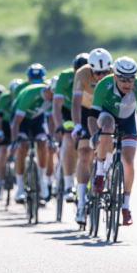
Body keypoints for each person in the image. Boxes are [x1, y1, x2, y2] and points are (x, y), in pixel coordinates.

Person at [88, 56, 137, 226]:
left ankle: (125, 206)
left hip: (128, 122)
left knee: (128, 162)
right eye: (123, 79)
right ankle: (100, 173)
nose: (127, 83)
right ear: (115, 76)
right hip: (107, 116)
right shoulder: (104, 85)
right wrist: (94, 135)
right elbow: (92, 116)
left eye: (131, 79)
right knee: (107, 129)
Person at [71, 48, 113, 224]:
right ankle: (81, 204)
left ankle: (109, 178)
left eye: (104, 72)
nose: (101, 76)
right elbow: (75, 103)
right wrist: (77, 125)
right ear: (91, 69)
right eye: (97, 73)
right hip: (87, 111)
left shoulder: (116, 73)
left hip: (107, 110)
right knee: (84, 155)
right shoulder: (82, 74)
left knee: (109, 145)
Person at [10, 78, 56, 204]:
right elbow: (16, 123)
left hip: (37, 118)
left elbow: (51, 120)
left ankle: (42, 179)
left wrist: (52, 140)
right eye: (53, 96)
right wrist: (14, 142)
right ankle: (20, 188)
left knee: (43, 143)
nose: (54, 99)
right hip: (20, 120)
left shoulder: (53, 98)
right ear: (49, 90)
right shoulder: (31, 94)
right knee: (22, 146)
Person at [52, 53, 90, 203]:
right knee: (69, 140)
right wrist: (59, 126)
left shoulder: (94, 76)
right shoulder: (65, 77)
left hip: (86, 111)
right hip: (68, 111)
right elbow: (56, 105)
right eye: (77, 72)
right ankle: (68, 186)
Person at [0, 79, 21, 200]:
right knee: (3, 151)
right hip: (5, 125)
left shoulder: (21, 97)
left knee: (21, 149)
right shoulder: (4, 98)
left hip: (18, 123)